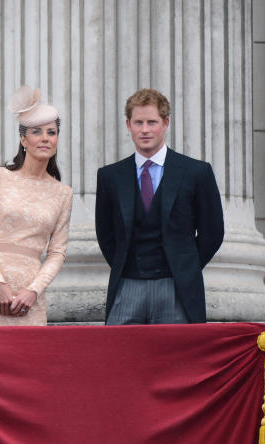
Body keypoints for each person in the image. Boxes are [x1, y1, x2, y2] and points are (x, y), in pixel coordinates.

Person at [95, 89, 224, 324]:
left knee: (180, 358)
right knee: (120, 357)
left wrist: (185, 266)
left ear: (165, 123)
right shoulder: (109, 176)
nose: (145, 129)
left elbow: (213, 233)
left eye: (152, 122)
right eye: (138, 122)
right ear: (128, 125)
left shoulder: (197, 172)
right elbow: (105, 235)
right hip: (127, 286)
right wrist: (128, 269)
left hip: (177, 288)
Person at [0, 86, 73, 326]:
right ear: (24, 139)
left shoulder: (63, 193)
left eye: (51, 132)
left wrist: (33, 290)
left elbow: (57, 252)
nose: (45, 138)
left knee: (27, 362)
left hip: (30, 298)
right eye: (37, 132)